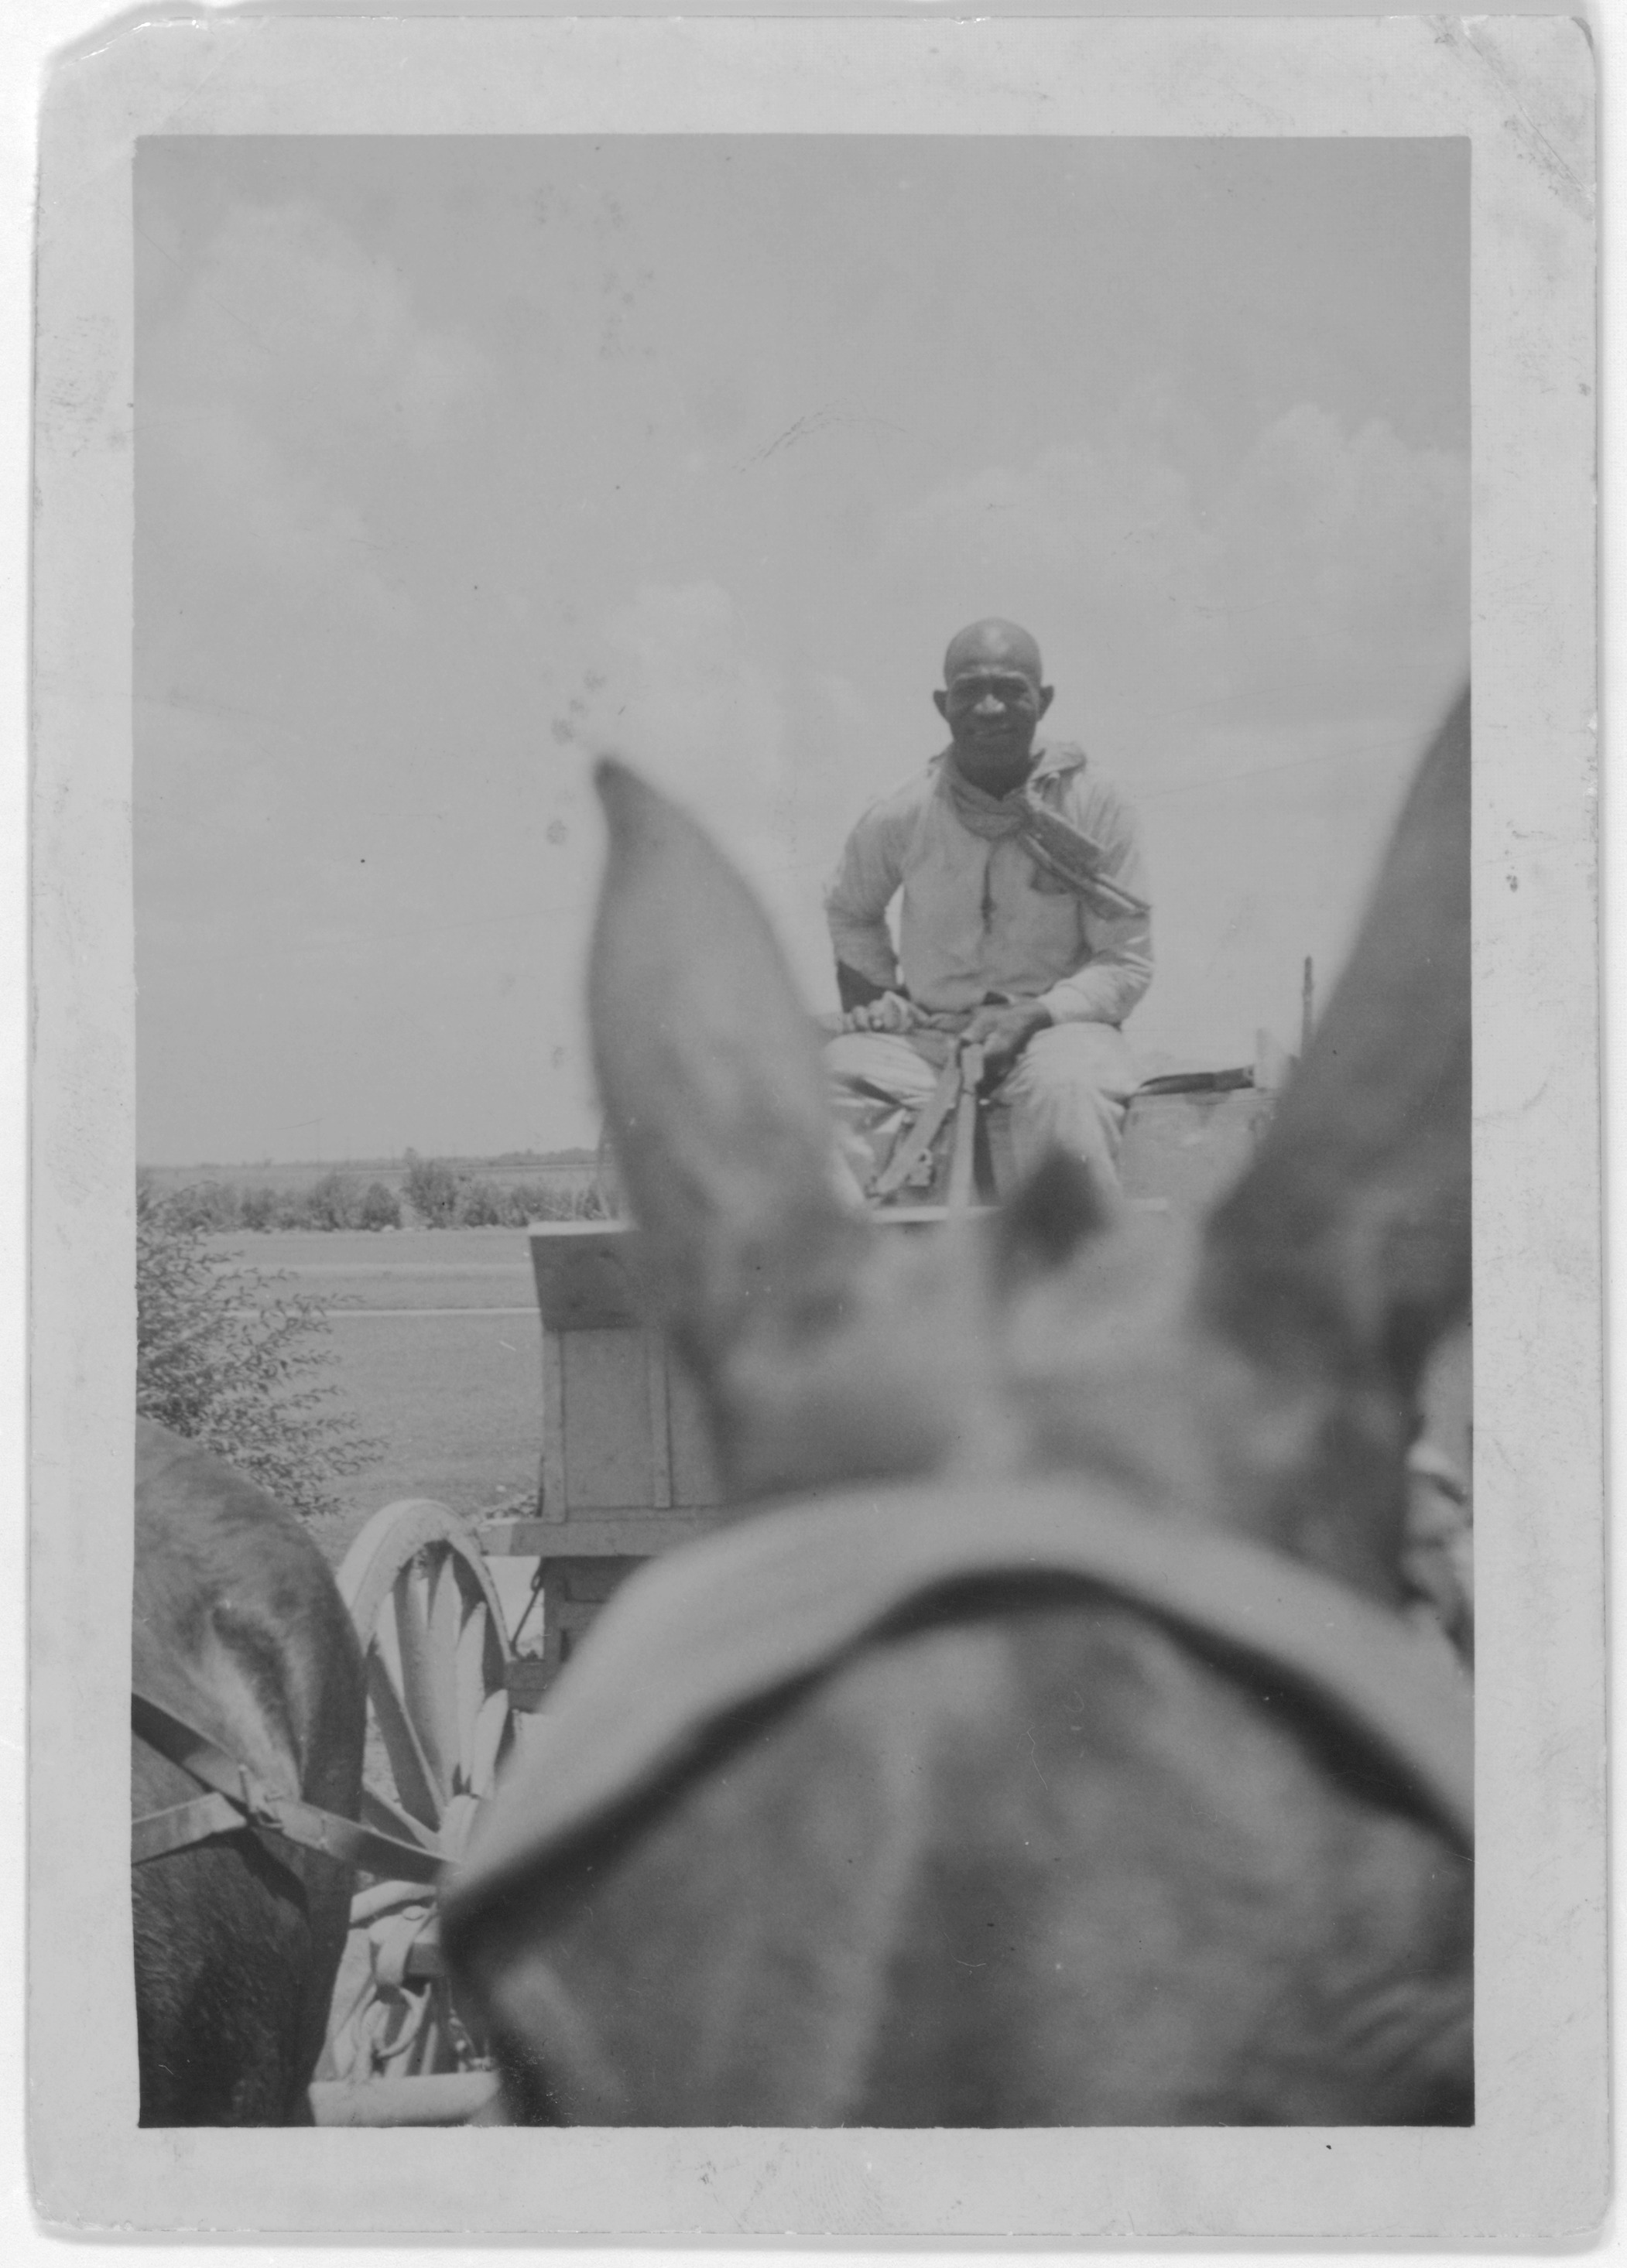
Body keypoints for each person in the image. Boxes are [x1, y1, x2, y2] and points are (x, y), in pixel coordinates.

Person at [824, 618, 1152, 1203]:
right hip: (929, 1036)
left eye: (1011, 688)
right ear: (942, 704)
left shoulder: (1094, 803)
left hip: (1059, 1034)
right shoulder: (903, 812)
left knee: (1068, 1100)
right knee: (819, 1097)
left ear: (1043, 700)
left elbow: (1125, 964)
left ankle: (1073, 1290)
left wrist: (1033, 1015)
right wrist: (877, 997)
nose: (991, 708)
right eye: (970, 690)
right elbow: (850, 908)